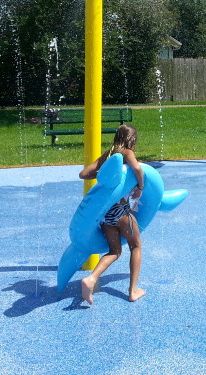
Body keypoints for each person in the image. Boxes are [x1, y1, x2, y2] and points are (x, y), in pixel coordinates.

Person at [77, 124, 146, 304]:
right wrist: (140, 187)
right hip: (121, 210)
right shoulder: (126, 153)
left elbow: (83, 174)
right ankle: (133, 290)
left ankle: (91, 279)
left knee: (114, 251)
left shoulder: (107, 155)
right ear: (131, 140)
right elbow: (138, 169)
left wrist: (104, 174)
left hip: (105, 214)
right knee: (136, 246)